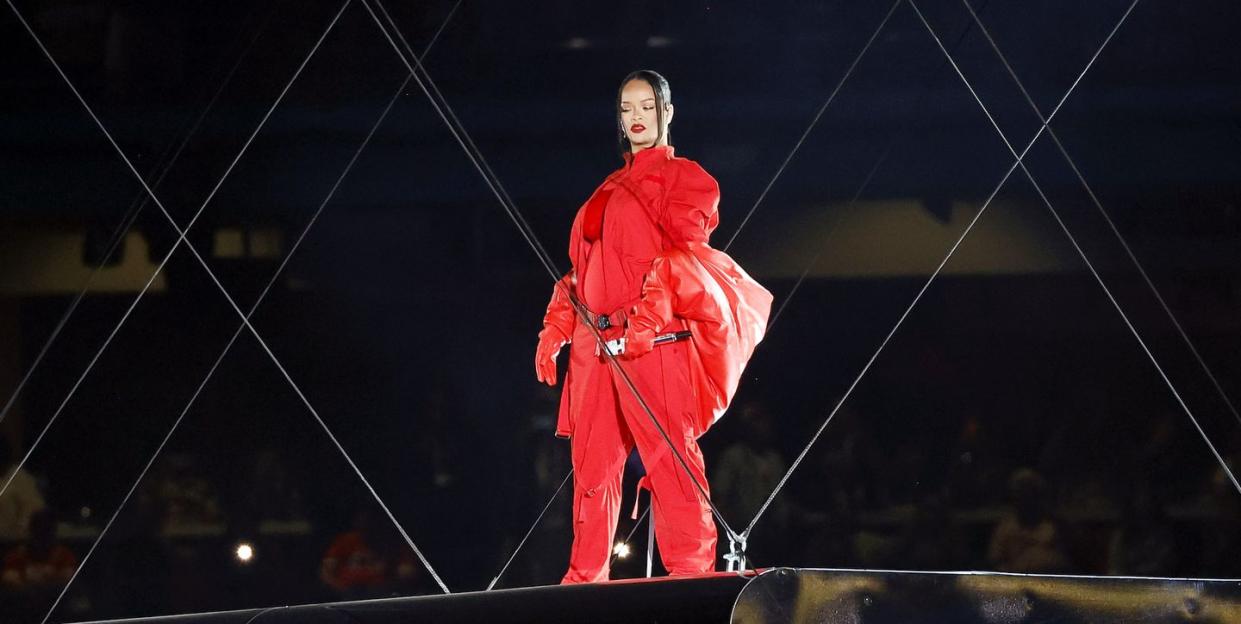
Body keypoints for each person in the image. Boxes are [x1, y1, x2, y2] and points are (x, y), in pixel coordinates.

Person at [535, 70, 771, 583]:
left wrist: (648, 317)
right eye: (626, 109)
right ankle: (584, 577)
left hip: (652, 342)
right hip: (595, 345)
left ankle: (689, 573)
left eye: (645, 106)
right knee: (593, 471)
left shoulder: (684, 177)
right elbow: (585, 271)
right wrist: (556, 324)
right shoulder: (608, 186)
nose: (635, 117)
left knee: (670, 457)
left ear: (667, 111)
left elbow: (684, 256)